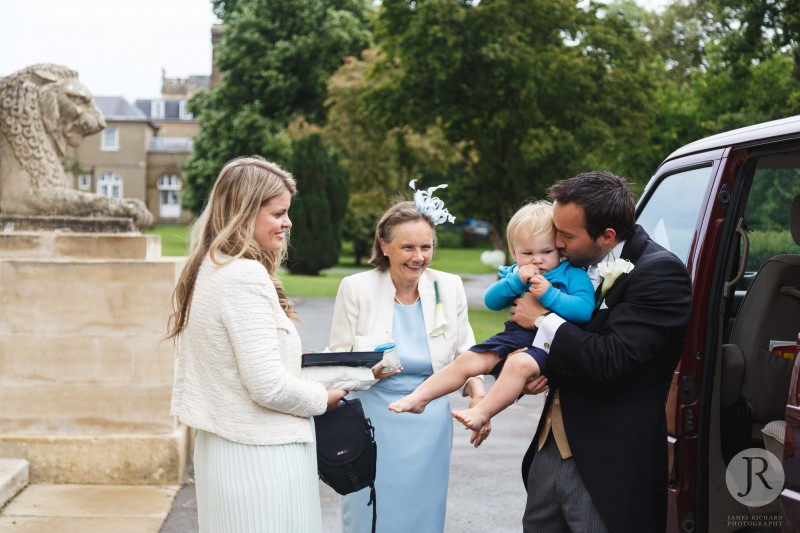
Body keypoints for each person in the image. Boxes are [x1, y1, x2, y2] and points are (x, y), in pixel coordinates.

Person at [166, 156, 346, 532]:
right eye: (278, 213)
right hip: (259, 457)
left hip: (225, 449)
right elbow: (267, 386)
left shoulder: (208, 267)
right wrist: (325, 396)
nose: (288, 222)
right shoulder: (243, 275)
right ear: (245, 212)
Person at [511, 171, 692, 533]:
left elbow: (611, 360)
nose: (556, 243)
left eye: (566, 235)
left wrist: (541, 320)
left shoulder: (660, 274)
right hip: (550, 449)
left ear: (607, 236)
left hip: (610, 463)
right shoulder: (576, 266)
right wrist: (545, 371)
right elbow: (577, 345)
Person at [327, 182, 487, 533]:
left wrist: (479, 400)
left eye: (426, 247)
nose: (419, 257)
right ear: (384, 246)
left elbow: (466, 354)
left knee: (423, 515)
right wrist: (369, 375)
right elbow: (337, 364)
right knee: (369, 513)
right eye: (408, 247)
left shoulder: (448, 286)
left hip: (429, 427)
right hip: (371, 423)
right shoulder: (356, 288)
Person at [388, 201, 594, 434]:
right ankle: (419, 397)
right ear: (514, 252)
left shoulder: (572, 274)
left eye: (547, 252)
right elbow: (491, 301)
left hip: (548, 343)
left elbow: (584, 309)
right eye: (527, 253)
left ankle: (482, 412)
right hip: (514, 335)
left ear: (560, 249)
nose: (537, 260)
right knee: (468, 360)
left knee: (519, 364)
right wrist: (516, 280)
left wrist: (550, 294)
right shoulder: (516, 273)